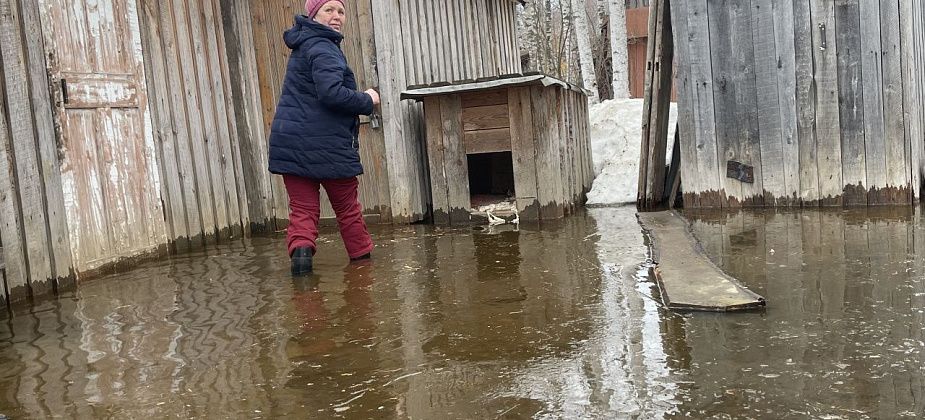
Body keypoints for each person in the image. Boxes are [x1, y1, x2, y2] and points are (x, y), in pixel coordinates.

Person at [268, 0, 381, 277]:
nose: (336, 16)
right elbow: (332, 94)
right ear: (313, 14)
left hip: (290, 143)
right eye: (328, 10)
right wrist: (368, 99)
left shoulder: (303, 44)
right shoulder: (323, 48)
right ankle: (363, 281)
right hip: (327, 145)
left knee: (303, 213)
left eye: (341, 11)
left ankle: (303, 285)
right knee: (348, 211)